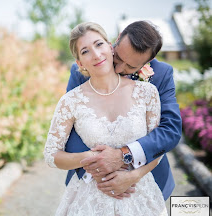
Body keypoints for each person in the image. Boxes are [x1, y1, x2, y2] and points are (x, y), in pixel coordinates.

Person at [44, 22, 169, 216]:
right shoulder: (70, 101)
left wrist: (131, 176)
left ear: (111, 47)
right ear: (80, 64)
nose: (95, 54)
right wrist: (93, 158)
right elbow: (51, 155)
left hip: (138, 193)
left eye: (99, 44)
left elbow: (158, 147)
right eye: (85, 51)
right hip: (90, 200)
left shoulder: (147, 92)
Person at [65, 20, 182, 200]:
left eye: (130, 66)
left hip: (144, 181)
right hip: (90, 182)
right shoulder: (82, 70)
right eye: (118, 58)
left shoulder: (162, 74)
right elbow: (67, 129)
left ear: (148, 60)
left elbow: (170, 130)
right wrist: (100, 170)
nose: (119, 69)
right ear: (117, 39)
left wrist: (124, 158)